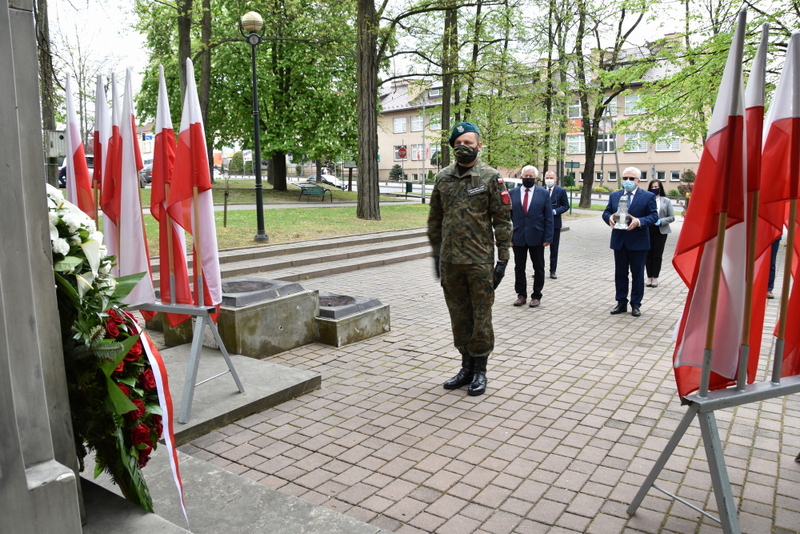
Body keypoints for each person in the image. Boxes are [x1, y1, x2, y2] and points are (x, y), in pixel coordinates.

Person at [428, 121, 512, 397]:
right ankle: (465, 367)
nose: (463, 147)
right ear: (453, 146)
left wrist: (502, 260)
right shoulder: (442, 177)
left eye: (468, 142)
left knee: (481, 316)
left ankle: (480, 370)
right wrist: (436, 255)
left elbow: (502, 220)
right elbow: (435, 219)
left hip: (480, 260)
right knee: (459, 315)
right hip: (450, 261)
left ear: (479, 146)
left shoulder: (490, 177)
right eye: (459, 143)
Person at [601, 167, 659, 317]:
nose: (628, 181)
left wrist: (639, 221)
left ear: (638, 181)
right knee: (620, 273)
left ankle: (636, 304)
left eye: (631, 179)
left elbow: (653, 216)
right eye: (625, 178)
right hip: (619, 240)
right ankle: (621, 302)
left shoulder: (647, 196)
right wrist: (609, 218)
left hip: (638, 241)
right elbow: (606, 212)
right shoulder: (615, 196)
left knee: (637, 274)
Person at [509, 166, 553, 308]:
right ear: (521, 177)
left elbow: (548, 217)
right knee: (519, 267)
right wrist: (508, 237)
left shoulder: (543, 193)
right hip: (518, 236)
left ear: (536, 178)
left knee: (538, 267)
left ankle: (536, 296)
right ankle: (521, 295)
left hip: (537, 236)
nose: (528, 178)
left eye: (531, 176)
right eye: (525, 176)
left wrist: (548, 237)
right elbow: (506, 217)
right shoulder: (512, 193)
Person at [645, 180, 675, 288]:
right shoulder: (646, 199)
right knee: (648, 254)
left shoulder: (666, 201)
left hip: (660, 230)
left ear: (660, 188)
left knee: (657, 254)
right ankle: (649, 276)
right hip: (648, 229)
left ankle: (655, 277)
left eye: (656, 186)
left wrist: (661, 221)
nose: (654, 188)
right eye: (652, 187)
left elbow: (672, 217)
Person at [543, 170, 570, 279]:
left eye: (551, 177)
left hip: (555, 224)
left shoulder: (561, 191)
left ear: (556, 179)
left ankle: (552, 270)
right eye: (547, 177)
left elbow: (566, 206)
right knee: (539, 249)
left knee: (554, 248)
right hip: (542, 224)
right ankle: (539, 270)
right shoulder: (540, 190)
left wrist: (555, 211)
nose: (549, 180)